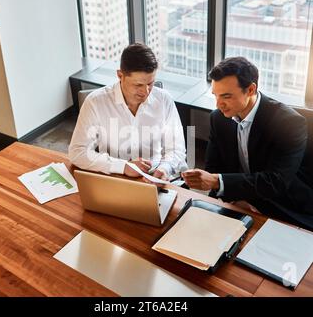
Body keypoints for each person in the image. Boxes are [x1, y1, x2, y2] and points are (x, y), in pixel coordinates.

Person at [182, 56, 313, 230]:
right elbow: (213, 168)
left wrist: (219, 183)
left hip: (283, 205)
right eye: (215, 95)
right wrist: (235, 200)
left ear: (251, 89)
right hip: (239, 197)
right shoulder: (218, 118)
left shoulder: (288, 122)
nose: (218, 104)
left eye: (226, 96)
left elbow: (276, 181)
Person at [69, 43, 187, 181]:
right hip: (113, 177)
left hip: (155, 177)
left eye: (150, 83)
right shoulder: (95, 102)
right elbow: (77, 152)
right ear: (120, 75)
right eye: (138, 85)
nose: (146, 92)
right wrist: (122, 166)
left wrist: (165, 169)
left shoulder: (164, 100)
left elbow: (177, 149)